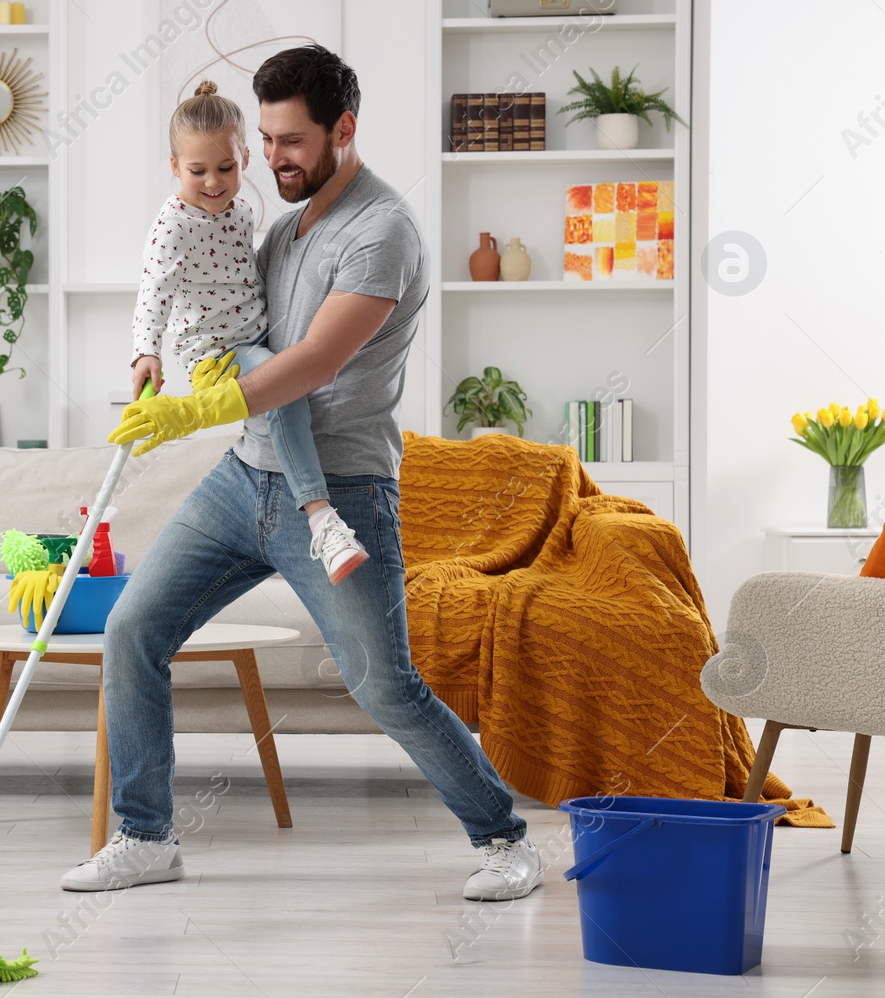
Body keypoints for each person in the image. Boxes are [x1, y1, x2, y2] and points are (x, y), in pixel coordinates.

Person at [60, 45, 544, 902]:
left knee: (384, 686)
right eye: (267, 139)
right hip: (243, 477)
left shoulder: (381, 232)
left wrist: (197, 411)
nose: (271, 160)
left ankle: (505, 837)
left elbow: (316, 362)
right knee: (133, 629)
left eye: (289, 141)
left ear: (342, 130)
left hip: (342, 493)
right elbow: (220, 312)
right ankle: (144, 835)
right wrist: (161, 356)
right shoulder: (283, 225)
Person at [128, 79, 367, 583]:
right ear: (174, 167)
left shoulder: (239, 211)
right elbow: (154, 290)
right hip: (216, 357)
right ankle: (321, 519)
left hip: (255, 339)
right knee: (285, 391)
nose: (213, 182)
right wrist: (144, 354)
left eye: (226, 167)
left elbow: (244, 274)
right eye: (197, 171)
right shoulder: (172, 224)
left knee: (293, 378)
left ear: (245, 160)